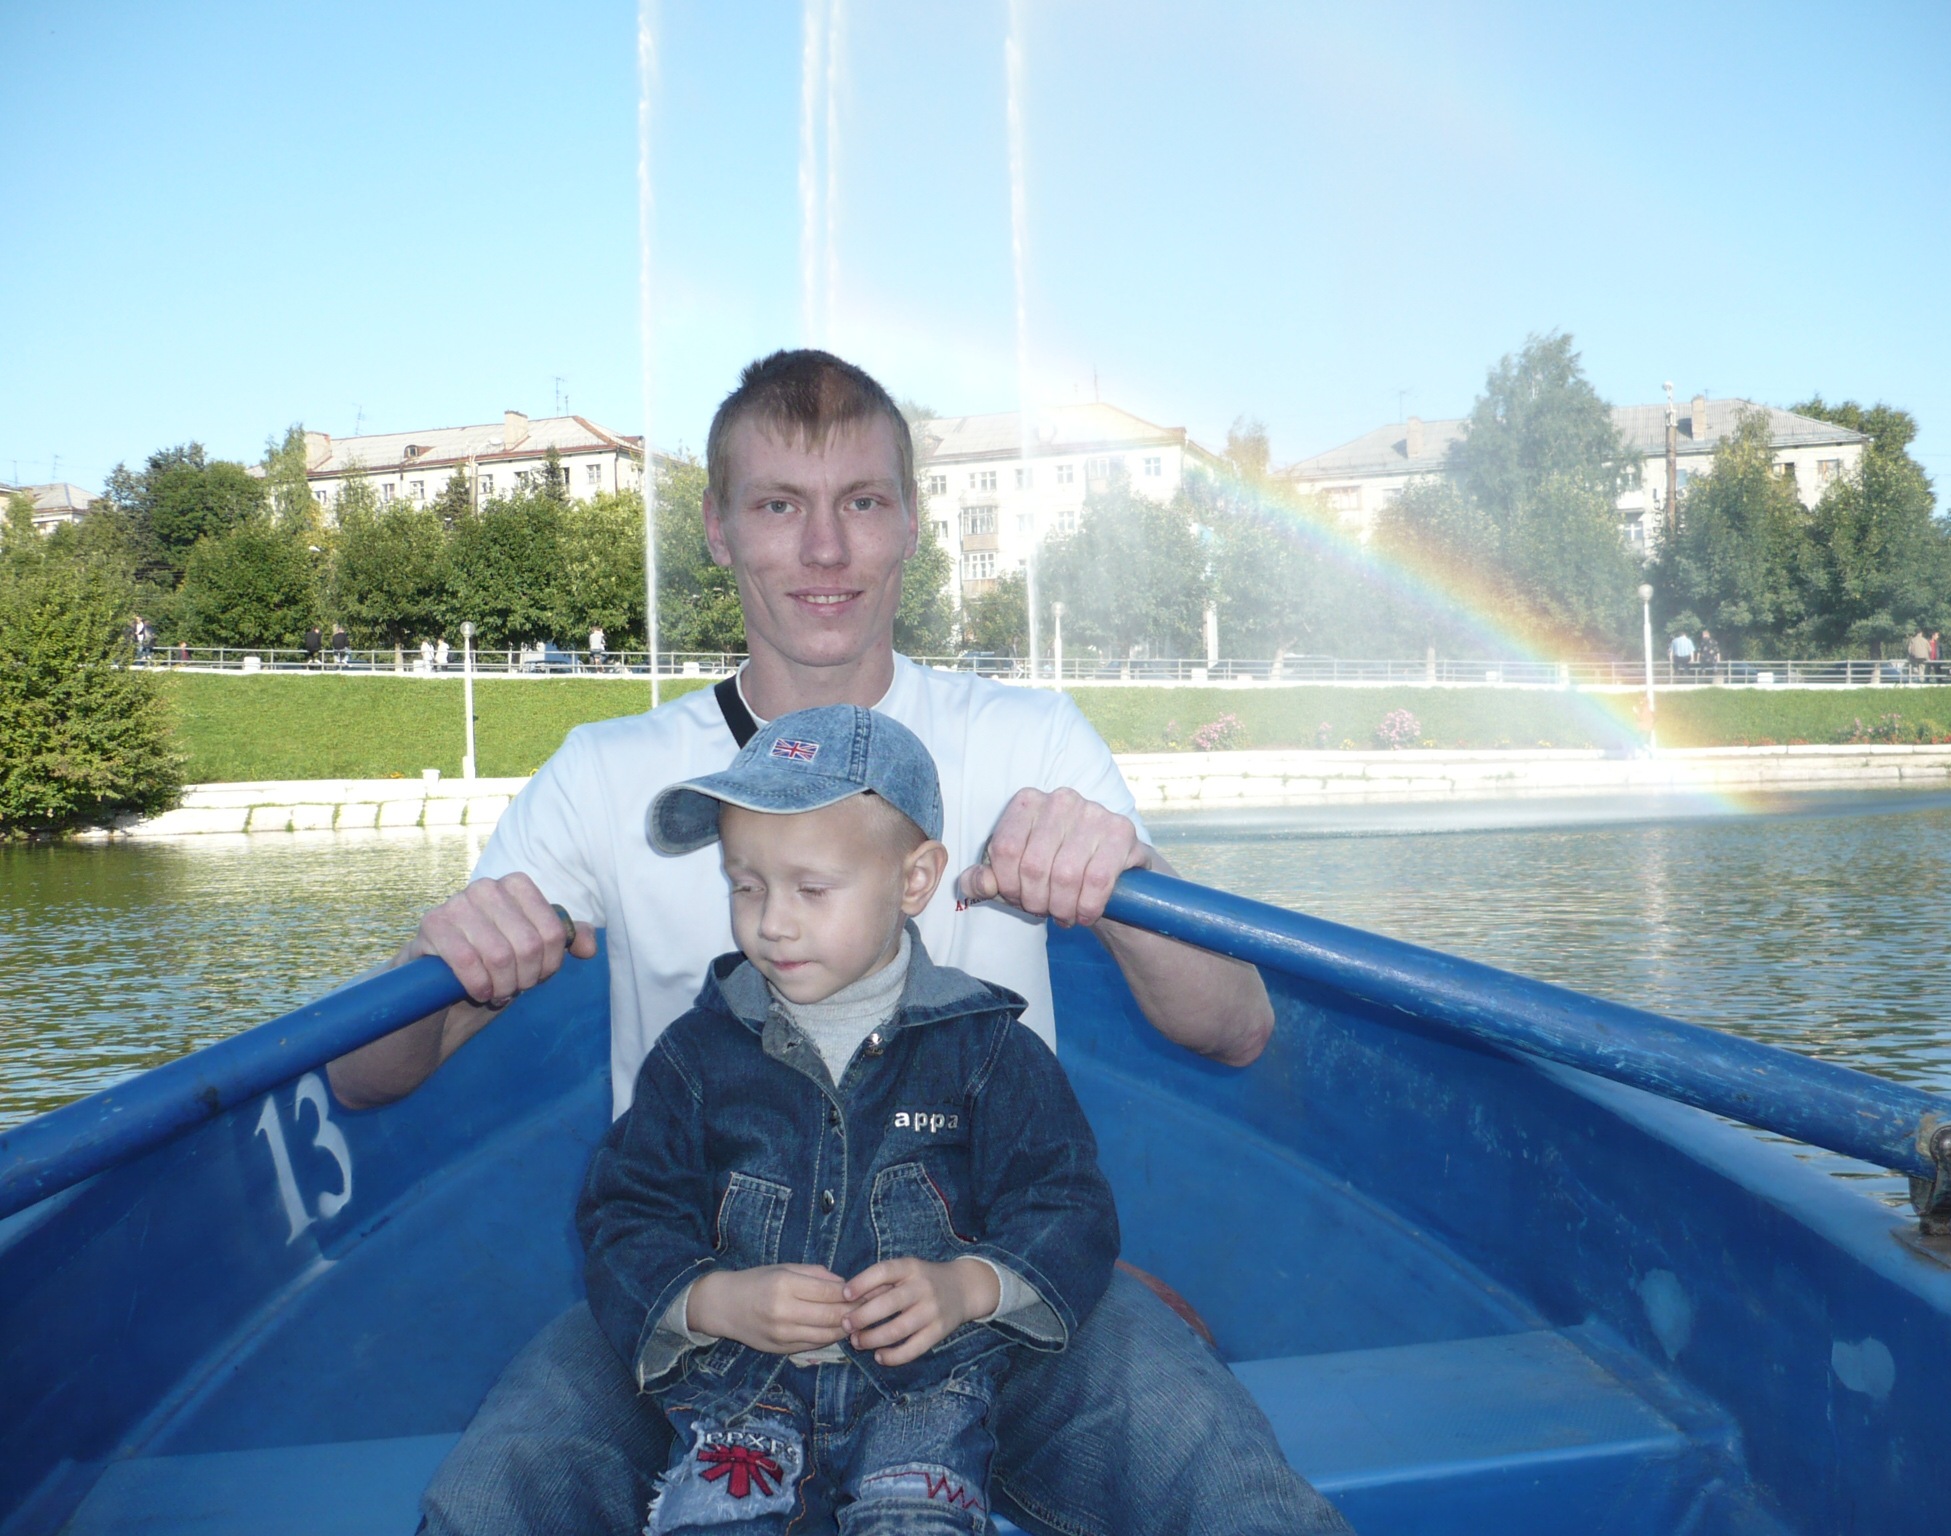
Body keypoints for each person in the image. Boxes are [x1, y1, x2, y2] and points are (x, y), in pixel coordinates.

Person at [329, 349, 1337, 1536]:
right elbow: (364, 1075)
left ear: (909, 522)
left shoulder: (1031, 740)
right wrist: (444, 958)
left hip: (978, 1293)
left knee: (1233, 1492)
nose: (823, 550)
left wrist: (1125, 882)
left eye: (860, 502)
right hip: (700, 1303)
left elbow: (1232, 1027)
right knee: (495, 1499)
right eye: (777, 506)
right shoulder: (602, 775)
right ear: (717, 531)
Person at [581, 703, 1118, 1533]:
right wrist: (713, 1301)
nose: (772, 921)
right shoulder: (693, 1058)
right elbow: (627, 1211)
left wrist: (968, 1286)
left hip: (927, 1397)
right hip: (737, 1399)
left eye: (812, 889)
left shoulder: (987, 1050)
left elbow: (1068, 1202)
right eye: (745, 885)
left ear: (915, 880)